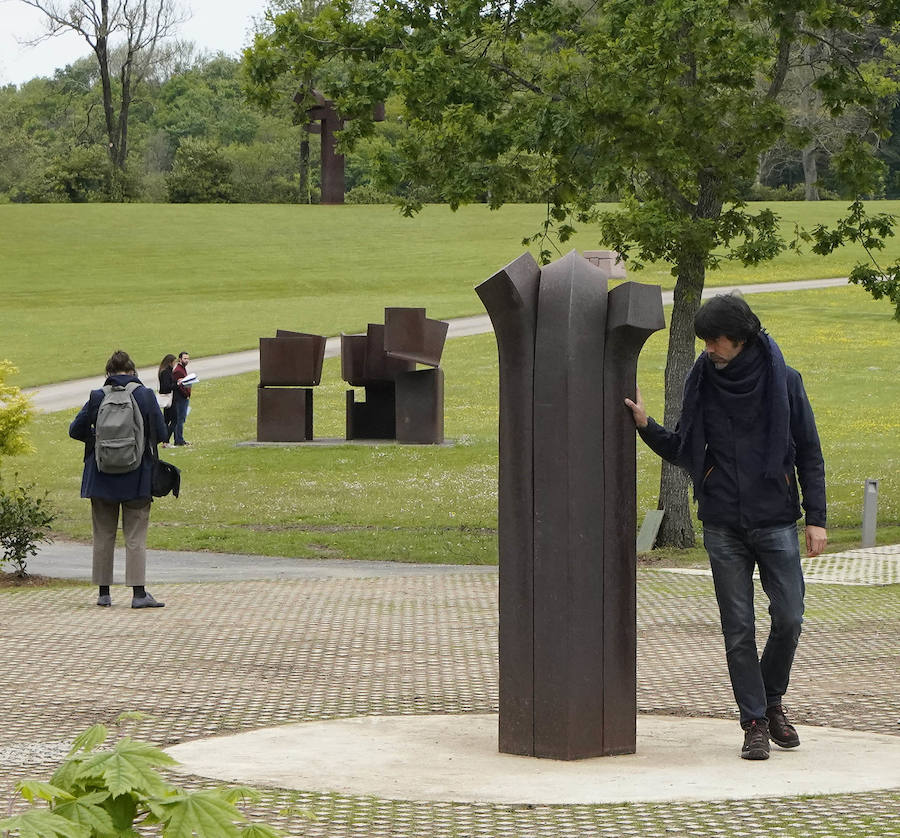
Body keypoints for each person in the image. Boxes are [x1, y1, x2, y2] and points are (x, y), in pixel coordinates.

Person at [624, 293, 826, 761]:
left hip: (776, 519)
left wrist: (815, 518)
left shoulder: (785, 382)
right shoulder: (704, 383)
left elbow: (810, 453)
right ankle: (755, 721)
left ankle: (771, 699)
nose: (709, 349)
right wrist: (647, 426)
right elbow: (685, 449)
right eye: (706, 341)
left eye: (715, 341)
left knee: (790, 618)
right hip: (722, 524)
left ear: (739, 339)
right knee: (738, 629)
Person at [69, 350, 167, 609]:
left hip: (100, 477)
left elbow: (75, 430)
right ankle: (138, 594)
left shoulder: (97, 396)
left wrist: (98, 441)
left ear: (108, 373)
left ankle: (104, 593)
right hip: (138, 477)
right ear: (132, 371)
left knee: (103, 535)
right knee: (135, 536)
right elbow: (162, 432)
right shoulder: (144, 395)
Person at [172, 350, 192, 446]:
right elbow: (180, 386)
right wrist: (186, 395)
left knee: (180, 419)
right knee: (180, 419)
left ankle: (179, 439)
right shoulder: (178, 371)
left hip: (183, 398)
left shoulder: (182, 369)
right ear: (180, 359)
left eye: (188, 358)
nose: (187, 360)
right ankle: (179, 440)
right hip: (180, 399)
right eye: (185, 358)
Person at [157, 353, 177, 445]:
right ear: (170, 362)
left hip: (169, 398)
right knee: (173, 420)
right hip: (169, 398)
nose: (175, 364)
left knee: (167, 420)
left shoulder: (166, 371)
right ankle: (166, 440)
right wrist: (177, 384)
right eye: (174, 362)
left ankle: (165, 440)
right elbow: (166, 387)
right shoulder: (166, 372)